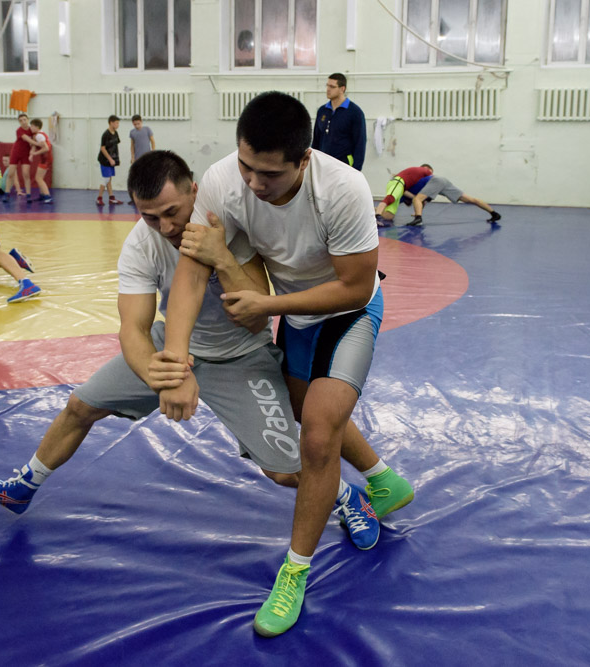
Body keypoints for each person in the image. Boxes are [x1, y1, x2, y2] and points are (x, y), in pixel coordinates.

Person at [0, 150, 385, 609]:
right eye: (149, 216)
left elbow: (257, 310)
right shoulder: (140, 246)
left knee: (284, 470)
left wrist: (222, 258)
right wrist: (165, 375)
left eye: (172, 212)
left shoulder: (234, 226)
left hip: (243, 356)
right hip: (171, 348)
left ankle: (346, 497)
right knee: (81, 406)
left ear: (194, 193)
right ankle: (24, 485)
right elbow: (133, 328)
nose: (165, 227)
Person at [161, 92, 414, 637]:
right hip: (295, 316)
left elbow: (352, 285)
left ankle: (294, 571)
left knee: (318, 437)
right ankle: (382, 480)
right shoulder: (224, 180)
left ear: (303, 160)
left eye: (269, 174)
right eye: (246, 165)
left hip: (348, 311)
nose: (253, 183)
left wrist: (268, 305)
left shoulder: (342, 190)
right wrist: (176, 355)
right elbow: (193, 267)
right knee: (305, 413)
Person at [311, 73, 366, 171]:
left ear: (342, 89)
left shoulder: (355, 113)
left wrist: (356, 171)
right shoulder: (322, 111)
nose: (328, 89)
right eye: (327, 85)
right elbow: (316, 140)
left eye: (332, 87)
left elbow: (360, 144)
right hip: (323, 166)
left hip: (344, 167)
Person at [408, 172, 502, 227]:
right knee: (469, 199)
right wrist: (417, 211)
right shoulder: (422, 180)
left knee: (416, 199)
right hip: (443, 181)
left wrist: (417, 213)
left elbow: (420, 200)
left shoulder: (411, 185)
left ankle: (418, 219)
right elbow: (425, 200)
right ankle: (494, 213)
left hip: (437, 180)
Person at [4, 113, 34, 198]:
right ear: (19, 122)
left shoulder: (32, 130)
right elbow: (27, 139)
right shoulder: (19, 130)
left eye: (24, 120)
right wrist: (38, 143)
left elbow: (34, 142)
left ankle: (28, 194)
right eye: (21, 121)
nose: (23, 122)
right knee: (11, 173)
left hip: (26, 154)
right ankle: (7, 193)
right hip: (16, 153)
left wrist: (33, 151)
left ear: (28, 120)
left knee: (26, 174)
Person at [97, 114, 124, 206]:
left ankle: (111, 198)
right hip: (105, 160)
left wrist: (115, 159)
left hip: (112, 160)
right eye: (116, 123)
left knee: (109, 179)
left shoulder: (115, 133)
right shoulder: (106, 134)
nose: (118, 125)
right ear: (111, 123)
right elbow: (103, 148)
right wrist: (110, 159)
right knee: (105, 179)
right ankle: (99, 198)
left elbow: (115, 145)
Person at [27, 118, 53, 204]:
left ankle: (48, 196)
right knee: (39, 177)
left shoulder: (39, 135)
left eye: (32, 126)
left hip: (45, 159)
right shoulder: (39, 134)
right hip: (45, 158)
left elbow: (46, 148)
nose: (30, 128)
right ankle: (42, 195)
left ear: (36, 127)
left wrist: (34, 154)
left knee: (38, 178)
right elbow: (35, 145)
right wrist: (31, 154)